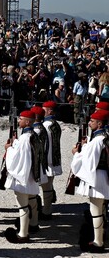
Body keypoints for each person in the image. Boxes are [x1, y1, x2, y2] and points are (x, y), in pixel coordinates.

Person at [4, 110, 46, 244]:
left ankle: (23, 233)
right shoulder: (33, 135)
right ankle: (32, 224)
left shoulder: (25, 137)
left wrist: (9, 149)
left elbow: (19, 157)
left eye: (21, 119)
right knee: (30, 200)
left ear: (27, 121)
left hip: (23, 176)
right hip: (31, 174)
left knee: (22, 205)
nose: (19, 121)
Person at [70, 110, 109, 253]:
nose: (90, 123)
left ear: (99, 124)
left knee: (96, 211)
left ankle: (98, 242)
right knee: (100, 209)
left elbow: (89, 161)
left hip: (98, 177)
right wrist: (86, 146)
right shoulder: (105, 136)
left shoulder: (98, 140)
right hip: (103, 176)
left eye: (92, 121)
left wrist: (76, 154)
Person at [40, 100, 62, 219]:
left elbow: (46, 145)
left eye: (44, 110)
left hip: (48, 159)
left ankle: (47, 211)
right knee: (48, 184)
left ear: (50, 111)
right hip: (53, 158)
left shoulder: (46, 126)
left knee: (46, 185)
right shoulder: (55, 124)